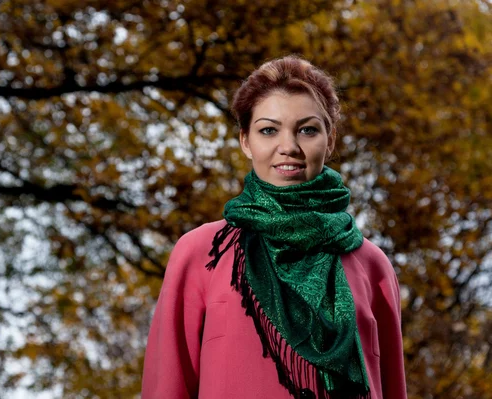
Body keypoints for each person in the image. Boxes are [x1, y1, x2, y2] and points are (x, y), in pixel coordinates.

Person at [141, 55, 407, 399]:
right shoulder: (201, 252)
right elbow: (167, 388)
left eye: (307, 130)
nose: (289, 148)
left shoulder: (372, 265)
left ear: (330, 139)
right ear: (245, 141)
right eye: (269, 130)